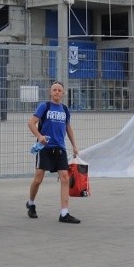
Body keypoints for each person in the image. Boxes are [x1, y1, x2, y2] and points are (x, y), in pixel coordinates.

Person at [26, 80, 81, 224]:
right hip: (44, 148)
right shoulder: (45, 106)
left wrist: (74, 145)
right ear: (50, 92)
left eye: (59, 90)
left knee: (64, 178)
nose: (57, 92)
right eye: (54, 90)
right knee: (38, 179)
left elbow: (68, 128)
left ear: (63, 93)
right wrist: (39, 137)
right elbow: (31, 122)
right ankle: (31, 203)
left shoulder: (65, 109)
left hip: (60, 148)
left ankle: (64, 213)